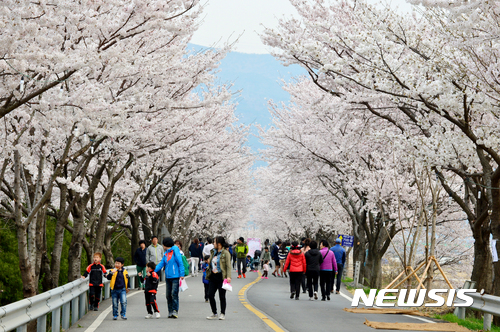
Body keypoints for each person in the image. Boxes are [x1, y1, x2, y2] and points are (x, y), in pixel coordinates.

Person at [154, 237, 185, 319]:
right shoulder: (166, 253)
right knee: (168, 295)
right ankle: (170, 311)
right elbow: (161, 264)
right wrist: (153, 270)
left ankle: (175, 310)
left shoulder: (175, 251)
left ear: (165, 245)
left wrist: (182, 273)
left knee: (174, 293)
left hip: (175, 276)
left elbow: (180, 262)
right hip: (168, 277)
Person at [206, 236, 232, 320]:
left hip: (221, 277)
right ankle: (214, 312)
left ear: (219, 244)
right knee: (210, 295)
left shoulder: (225, 253)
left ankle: (222, 313)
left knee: (222, 296)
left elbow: (228, 266)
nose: (213, 244)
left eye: (214, 242)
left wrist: (228, 276)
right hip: (213, 276)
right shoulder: (213, 252)